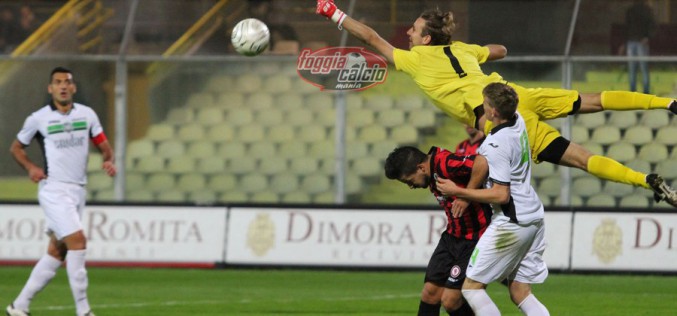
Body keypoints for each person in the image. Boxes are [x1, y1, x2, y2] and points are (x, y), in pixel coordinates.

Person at [314, 1, 677, 207]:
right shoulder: (462, 49)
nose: (408, 33)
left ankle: (645, 180)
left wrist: (334, 13)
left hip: (502, 118)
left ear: (425, 39)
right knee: (593, 100)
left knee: (579, 158)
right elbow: (500, 50)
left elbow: (372, 37)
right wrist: (483, 56)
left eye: (413, 30)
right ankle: (667, 102)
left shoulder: (414, 59)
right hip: (515, 92)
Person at [6, 67, 115, 316]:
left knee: (57, 250)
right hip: (54, 189)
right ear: (50, 88)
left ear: (73, 87)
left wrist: (108, 159)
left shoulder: (87, 115)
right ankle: (84, 311)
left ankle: (19, 306)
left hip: (78, 190)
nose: (63, 86)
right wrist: (31, 167)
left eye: (67, 82)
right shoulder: (38, 118)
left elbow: (104, 146)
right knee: (78, 241)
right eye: (58, 82)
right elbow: (16, 148)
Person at [437, 83, 549, 315]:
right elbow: (482, 158)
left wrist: (458, 192)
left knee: (472, 289)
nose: (484, 108)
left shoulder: (496, 144)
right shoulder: (517, 120)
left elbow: (500, 194)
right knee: (520, 291)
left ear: (493, 112)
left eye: (486, 104)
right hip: (534, 216)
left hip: (512, 222)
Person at [385, 145, 492, 315]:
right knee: (430, 294)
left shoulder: (445, 163)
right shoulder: (431, 170)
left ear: (421, 168)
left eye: (408, 180)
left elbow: (482, 163)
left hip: (475, 238)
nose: (410, 186)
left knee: (451, 300)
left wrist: (465, 196)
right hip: (452, 237)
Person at [622, 0, 656, 94]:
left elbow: (652, 25)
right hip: (632, 41)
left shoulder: (646, 10)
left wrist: (647, 37)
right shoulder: (632, 10)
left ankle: (645, 91)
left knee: (642, 67)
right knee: (633, 68)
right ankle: (634, 91)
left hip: (640, 41)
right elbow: (627, 26)